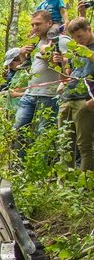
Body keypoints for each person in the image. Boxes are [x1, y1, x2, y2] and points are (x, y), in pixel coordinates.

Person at [11, 9, 67, 158]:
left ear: (49, 23)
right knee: (18, 129)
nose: (34, 28)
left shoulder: (61, 40)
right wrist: (23, 55)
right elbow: (31, 69)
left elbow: (67, 67)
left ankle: (45, 167)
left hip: (49, 94)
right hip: (30, 93)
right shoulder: (37, 42)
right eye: (33, 24)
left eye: (38, 24)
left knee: (45, 133)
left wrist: (51, 56)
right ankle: (19, 166)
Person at [58, 17, 94, 170]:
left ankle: (85, 187)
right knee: (64, 145)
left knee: (85, 146)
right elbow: (66, 76)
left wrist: (90, 104)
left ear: (89, 29)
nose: (78, 41)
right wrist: (59, 63)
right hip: (68, 98)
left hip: (85, 100)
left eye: (80, 36)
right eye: (74, 38)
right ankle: (66, 185)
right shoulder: (76, 49)